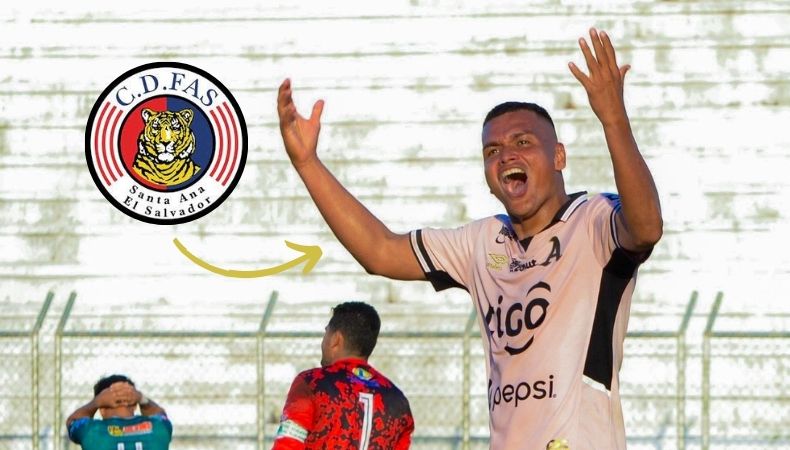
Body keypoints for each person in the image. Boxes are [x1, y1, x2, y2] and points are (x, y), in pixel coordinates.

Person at [277, 27, 662, 450]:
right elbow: (380, 252)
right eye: (491, 151)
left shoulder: (593, 221)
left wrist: (613, 119)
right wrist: (308, 164)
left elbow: (646, 227)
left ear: (558, 156)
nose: (506, 155)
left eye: (523, 142)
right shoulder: (482, 242)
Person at [272, 301, 414, 449]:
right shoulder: (398, 400)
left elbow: (288, 444)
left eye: (326, 333)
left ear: (335, 340)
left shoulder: (313, 383)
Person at [66, 374, 172, 450]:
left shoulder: (91, 431)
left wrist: (95, 402)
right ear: (135, 405)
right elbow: (160, 414)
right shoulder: (159, 427)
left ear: (101, 409)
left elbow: (72, 421)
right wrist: (141, 398)